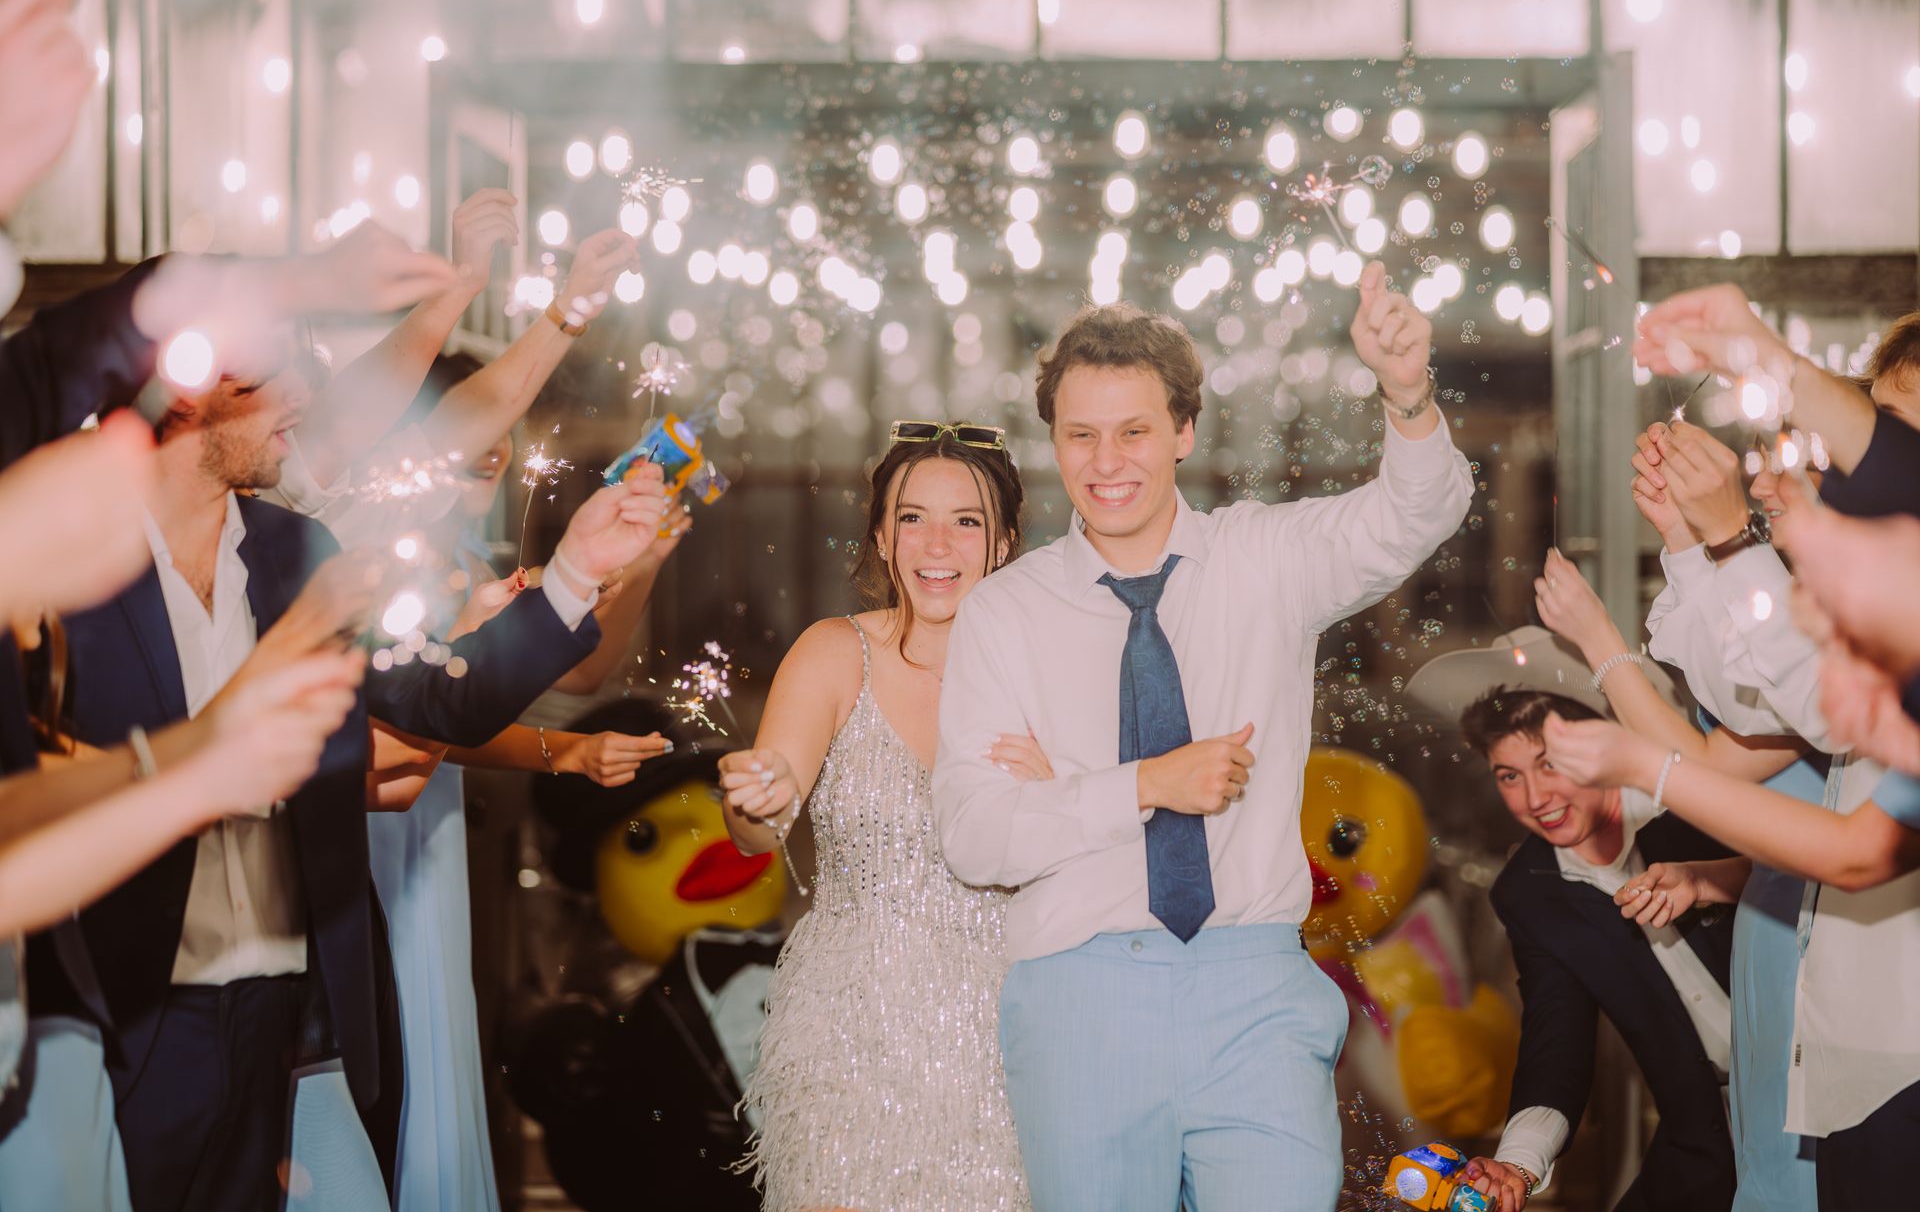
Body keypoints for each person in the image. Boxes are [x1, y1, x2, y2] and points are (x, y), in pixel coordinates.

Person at [30, 341, 668, 1210]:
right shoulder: (62, 571)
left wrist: (576, 574)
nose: (305, 395)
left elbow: (443, 697)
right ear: (186, 395)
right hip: (135, 1013)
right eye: (272, 378)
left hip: (298, 1015)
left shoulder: (299, 548)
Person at [931, 263, 1471, 1211]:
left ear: (1183, 431)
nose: (1107, 463)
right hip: (1078, 997)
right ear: (1053, 440)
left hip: (1255, 990)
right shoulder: (1003, 614)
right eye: (1081, 435)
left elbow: (1416, 513)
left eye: (1134, 431)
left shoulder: (1266, 558)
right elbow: (975, 837)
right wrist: (1144, 784)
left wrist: (1407, 393)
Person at [719, 422, 1036, 1211]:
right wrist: (751, 803)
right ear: (882, 540)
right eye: (911, 517)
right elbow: (762, 826)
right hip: (847, 1045)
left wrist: (1062, 787)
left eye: (967, 520)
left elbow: (1105, 846)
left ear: (1002, 545)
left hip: (1009, 1052)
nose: (938, 542)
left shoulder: (1050, 671)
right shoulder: (833, 654)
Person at [1534, 542, 1818, 1212]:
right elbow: (1802, 837)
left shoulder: (1814, 677)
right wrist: (1712, 878)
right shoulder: (1772, 688)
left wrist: (1596, 634)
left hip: (1815, 964)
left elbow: (1704, 768)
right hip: (1771, 948)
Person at [1442, 682, 1738, 1212]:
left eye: (1549, 764)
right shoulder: (1528, 889)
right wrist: (1518, 1162)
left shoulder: (1692, 803)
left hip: (1825, 1100)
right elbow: (1556, 1039)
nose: (1535, 799)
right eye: (1510, 776)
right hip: (1706, 1142)